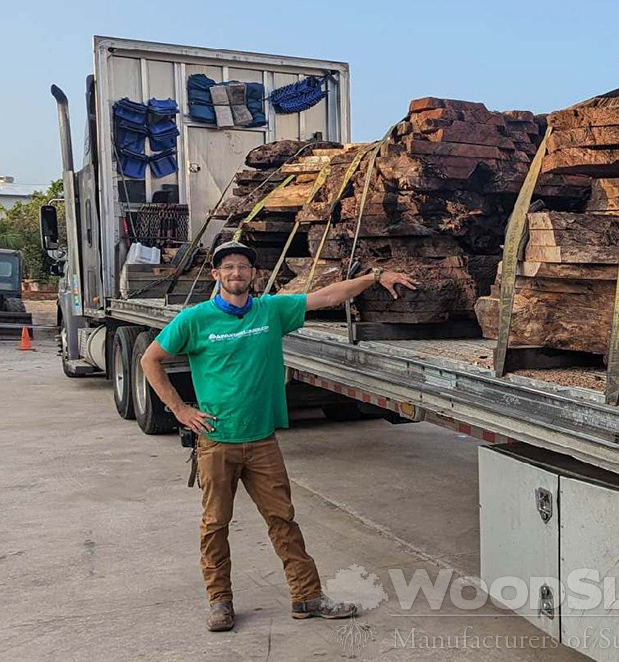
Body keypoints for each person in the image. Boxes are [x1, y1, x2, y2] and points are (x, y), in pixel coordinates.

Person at [140, 240, 419, 632]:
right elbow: (150, 359)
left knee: (283, 520)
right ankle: (220, 601)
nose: (236, 273)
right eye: (228, 267)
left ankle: (307, 596)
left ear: (253, 275)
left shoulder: (271, 311)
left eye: (243, 267)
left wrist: (374, 276)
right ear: (216, 275)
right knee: (216, 524)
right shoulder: (195, 319)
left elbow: (326, 296)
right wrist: (181, 410)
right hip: (218, 442)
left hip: (262, 441)